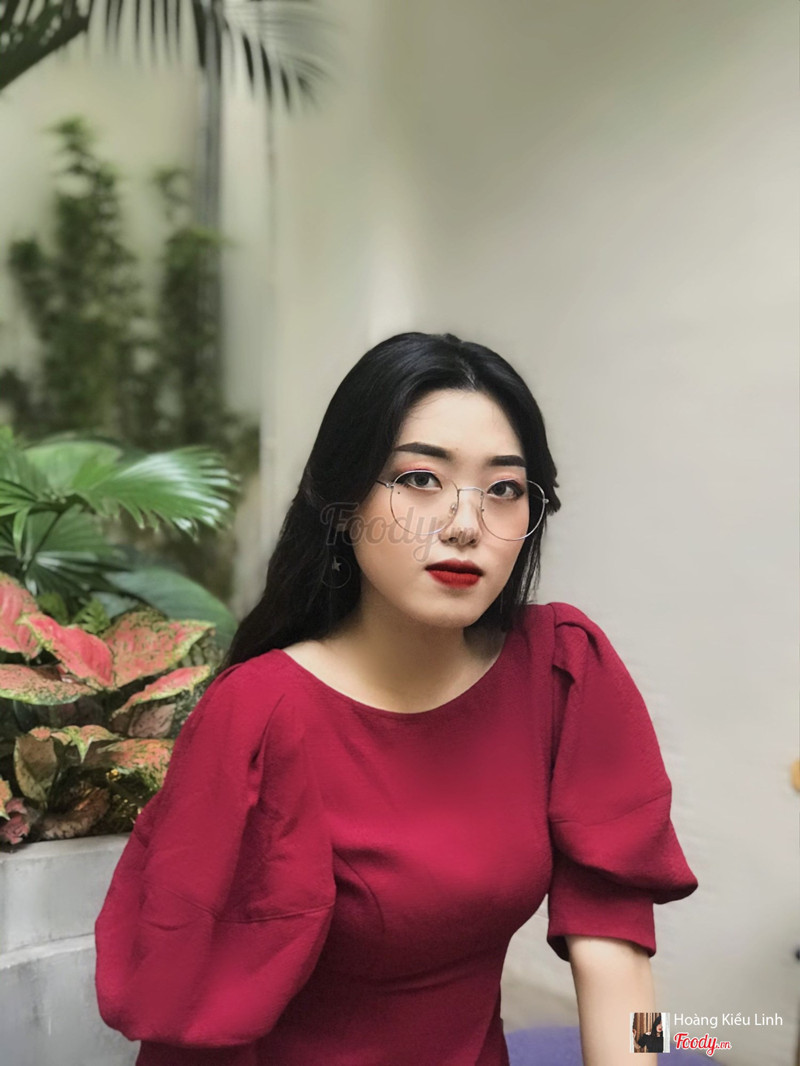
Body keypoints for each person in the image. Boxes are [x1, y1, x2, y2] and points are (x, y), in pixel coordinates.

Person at [94, 332, 699, 1066]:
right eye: (420, 479)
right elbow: (190, 1010)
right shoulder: (257, 714)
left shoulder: (562, 669)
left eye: (504, 489)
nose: (466, 524)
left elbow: (615, 944)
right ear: (343, 504)